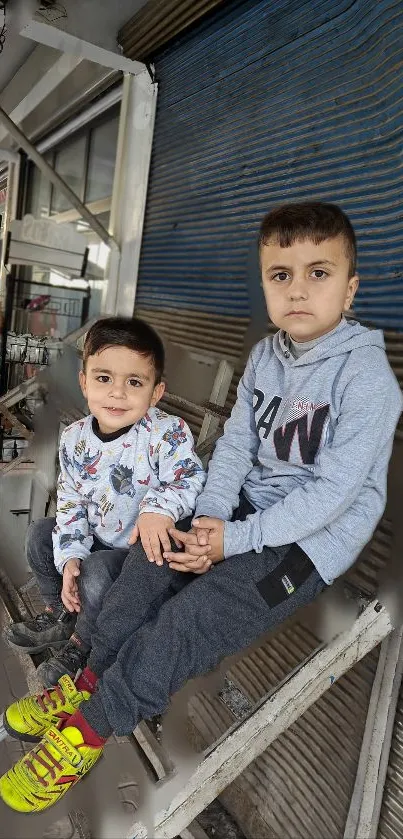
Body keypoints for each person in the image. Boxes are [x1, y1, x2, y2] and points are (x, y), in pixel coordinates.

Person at [1, 201, 402, 814]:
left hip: (302, 546)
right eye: (280, 274)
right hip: (238, 514)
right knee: (150, 559)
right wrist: (208, 519)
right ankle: (84, 679)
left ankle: (89, 728)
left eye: (318, 274)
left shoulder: (368, 379)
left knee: (185, 622)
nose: (297, 290)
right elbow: (238, 443)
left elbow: (334, 495)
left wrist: (230, 542)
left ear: (350, 289)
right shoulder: (269, 356)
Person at [4, 316, 205, 687]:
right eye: (103, 378)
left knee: (96, 574)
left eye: (134, 382)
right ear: (84, 382)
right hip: (94, 536)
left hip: (131, 558)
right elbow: (71, 502)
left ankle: (83, 644)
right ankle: (62, 614)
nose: (117, 393)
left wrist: (158, 509)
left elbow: (189, 477)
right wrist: (69, 559)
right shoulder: (75, 438)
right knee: (39, 535)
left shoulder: (166, 433)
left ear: (155, 392)